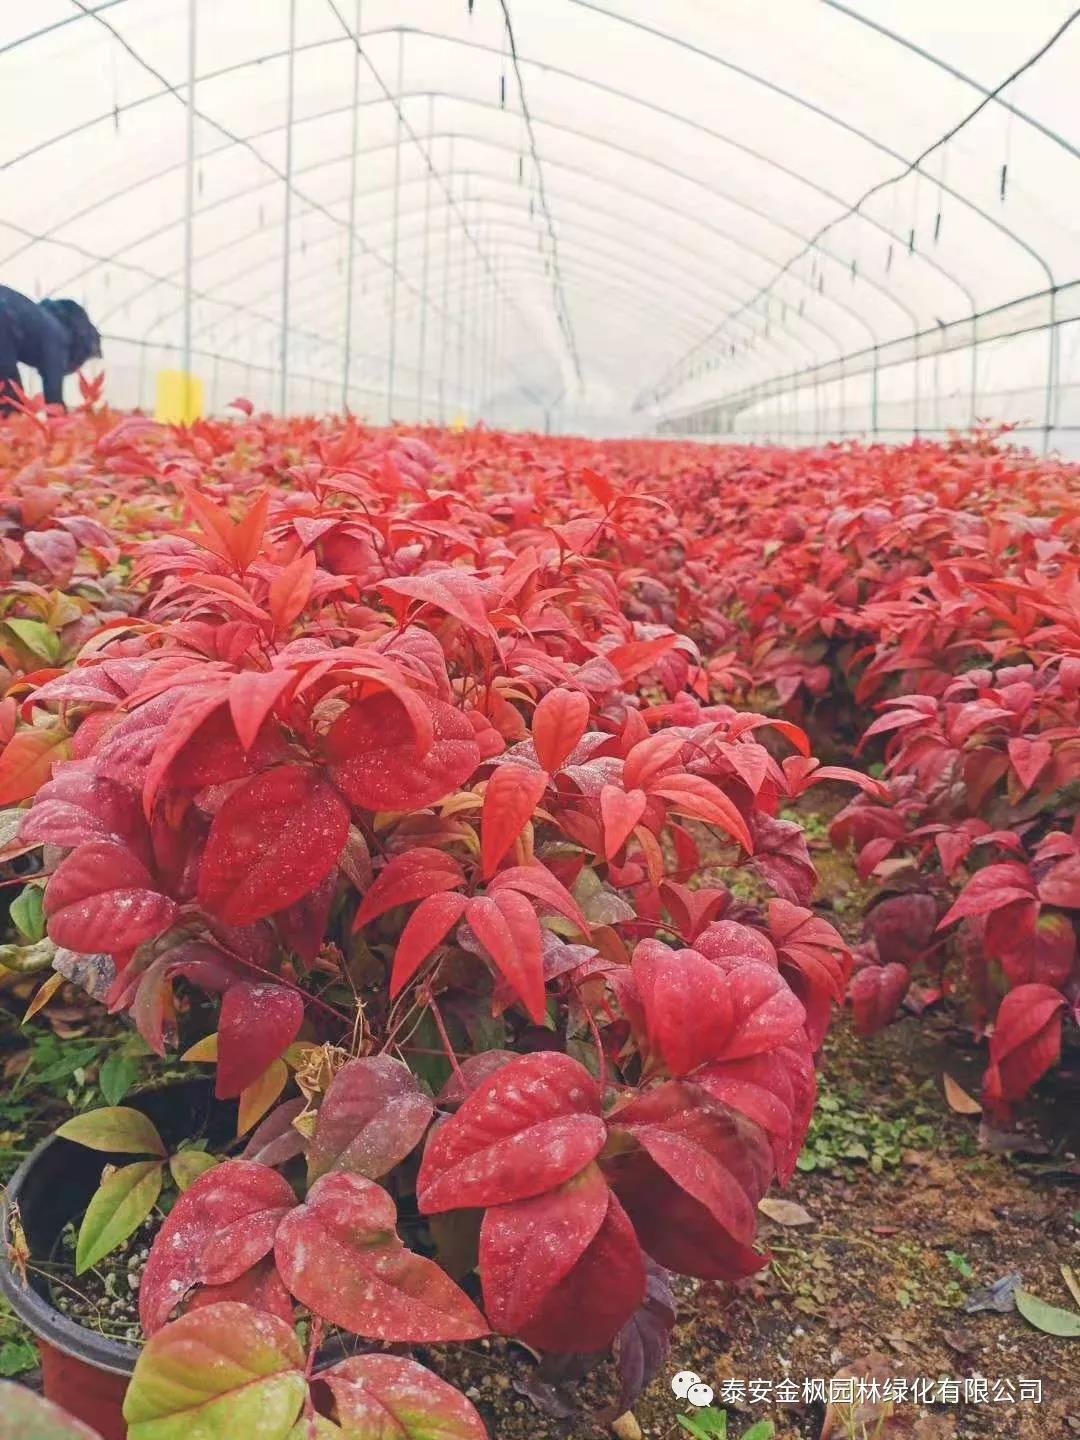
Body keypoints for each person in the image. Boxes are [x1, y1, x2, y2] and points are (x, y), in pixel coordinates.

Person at [0, 285, 101, 415]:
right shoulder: (58, 336)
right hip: (3, 315)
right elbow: (54, 400)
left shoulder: (41, 319)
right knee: (11, 403)